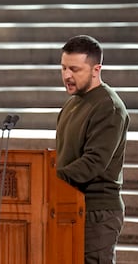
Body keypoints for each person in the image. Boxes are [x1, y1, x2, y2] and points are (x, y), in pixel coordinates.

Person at [56, 35, 130, 264]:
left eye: (75, 69)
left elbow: (94, 162)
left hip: (97, 212)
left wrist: (50, 179)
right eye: (64, 68)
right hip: (71, 204)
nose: (67, 75)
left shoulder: (108, 106)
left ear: (96, 69)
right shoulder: (73, 102)